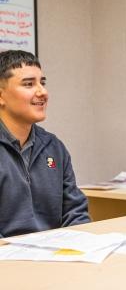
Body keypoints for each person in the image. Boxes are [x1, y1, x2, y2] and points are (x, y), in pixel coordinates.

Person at [0, 50, 90, 237]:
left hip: (52, 257)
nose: (42, 92)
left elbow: (75, 212)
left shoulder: (54, 147)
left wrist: (79, 245)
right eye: (29, 84)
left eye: (42, 83)